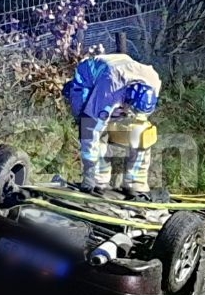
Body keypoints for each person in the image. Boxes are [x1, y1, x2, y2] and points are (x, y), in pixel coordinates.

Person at [65, 48, 162, 200]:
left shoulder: (154, 81)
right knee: (95, 129)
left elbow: (139, 115)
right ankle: (97, 180)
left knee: (142, 132)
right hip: (88, 80)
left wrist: (128, 120)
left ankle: (135, 182)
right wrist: (89, 172)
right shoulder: (111, 86)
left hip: (122, 70)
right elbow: (91, 128)